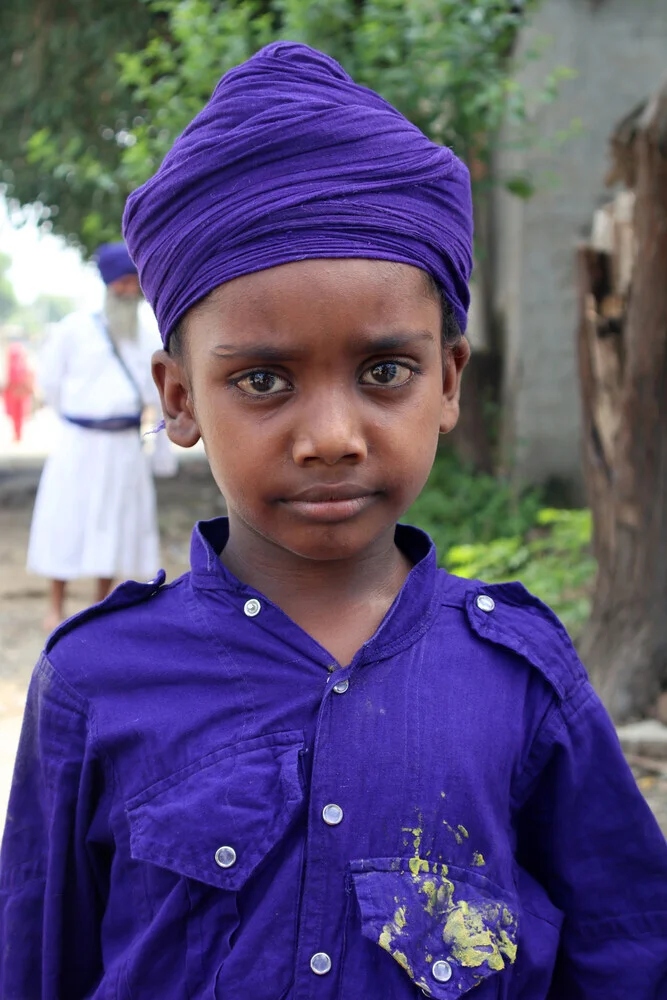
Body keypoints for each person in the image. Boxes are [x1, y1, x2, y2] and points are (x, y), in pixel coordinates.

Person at [1, 43, 667, 1000]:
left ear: (446, 381)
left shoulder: (519, 679)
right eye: (262, 380)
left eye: (384, 371)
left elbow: (626, 951)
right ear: (181, 399)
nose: (331, 437)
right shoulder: (95, 684)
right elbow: (37, 960)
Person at [26, 243, 160, 630]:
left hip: (124, 447)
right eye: (123, 282)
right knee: (67, 520)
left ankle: (99, 604)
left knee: (114, 525)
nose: (129, 290)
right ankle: (56, 604)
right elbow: (50, 383)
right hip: (79, 444)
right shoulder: (73, 329)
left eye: (134, 283)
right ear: (108, 284)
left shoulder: (146, 333)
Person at [3, 338, 33, 443]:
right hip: (16, 390)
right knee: (17, 413)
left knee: (17, 413)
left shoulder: (16, 358)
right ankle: (17, 434)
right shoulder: (18, 357)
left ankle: (17, 434)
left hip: (17, 390)